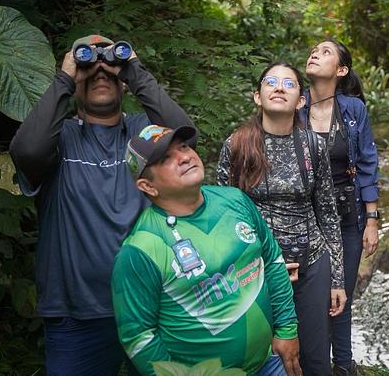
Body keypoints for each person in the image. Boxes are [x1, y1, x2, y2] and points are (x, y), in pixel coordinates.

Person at [9, 34, 193, 375]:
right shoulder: (61, 138)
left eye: (109, 69)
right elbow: (28, 151)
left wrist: (133, 69)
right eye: (89, 70)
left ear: (123, 84)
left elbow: (184, 135)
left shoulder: (141, 134)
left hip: (151, 306)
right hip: (75, 313)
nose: (100, 73)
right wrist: (65, 78)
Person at [112, 124, 300, 375]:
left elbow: (273, 261)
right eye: (165, 158)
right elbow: (139, 336)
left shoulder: (235, 200)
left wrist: (287, 329)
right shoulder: (140, 249)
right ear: (148, 186)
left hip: (270, 362)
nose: (184, 157)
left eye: (183, 146)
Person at [217, 63, 343, 376]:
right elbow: (225, 218)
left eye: (289, 83)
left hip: (312, 262)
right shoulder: (236, 145)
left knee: (315, 358)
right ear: (257, 96)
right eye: (271, 82)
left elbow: (327, 212)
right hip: (256, 268)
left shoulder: (313, 145)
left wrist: (337, 279)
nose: (278, 87)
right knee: (267, 357)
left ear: (300, 100)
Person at [299, 39, 380, 375]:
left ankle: (344, 366)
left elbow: (367, 162)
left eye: (325, 52)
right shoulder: (295, 105)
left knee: (341, 294)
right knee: (307, 297)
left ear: (341, 70)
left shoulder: (353, 109)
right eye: (314, 50)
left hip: (347, 217)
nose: (315, 54)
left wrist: (372, 219)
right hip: (303, 218)